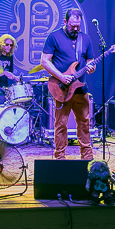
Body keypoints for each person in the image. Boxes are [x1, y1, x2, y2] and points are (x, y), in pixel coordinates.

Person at [40, 9, 96, 160]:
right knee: (61, 124)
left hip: (81, 88)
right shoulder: (54, 37)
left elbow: (90, 62)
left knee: (84, 122)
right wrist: (61, 76)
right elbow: (44, 61)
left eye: (78, 26)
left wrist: (91, 68)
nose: (76, 29)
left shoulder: (85, 39)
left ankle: (87, 157)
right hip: (62, 88)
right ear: (65, 22)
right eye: (73, 26)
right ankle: (60, 157)